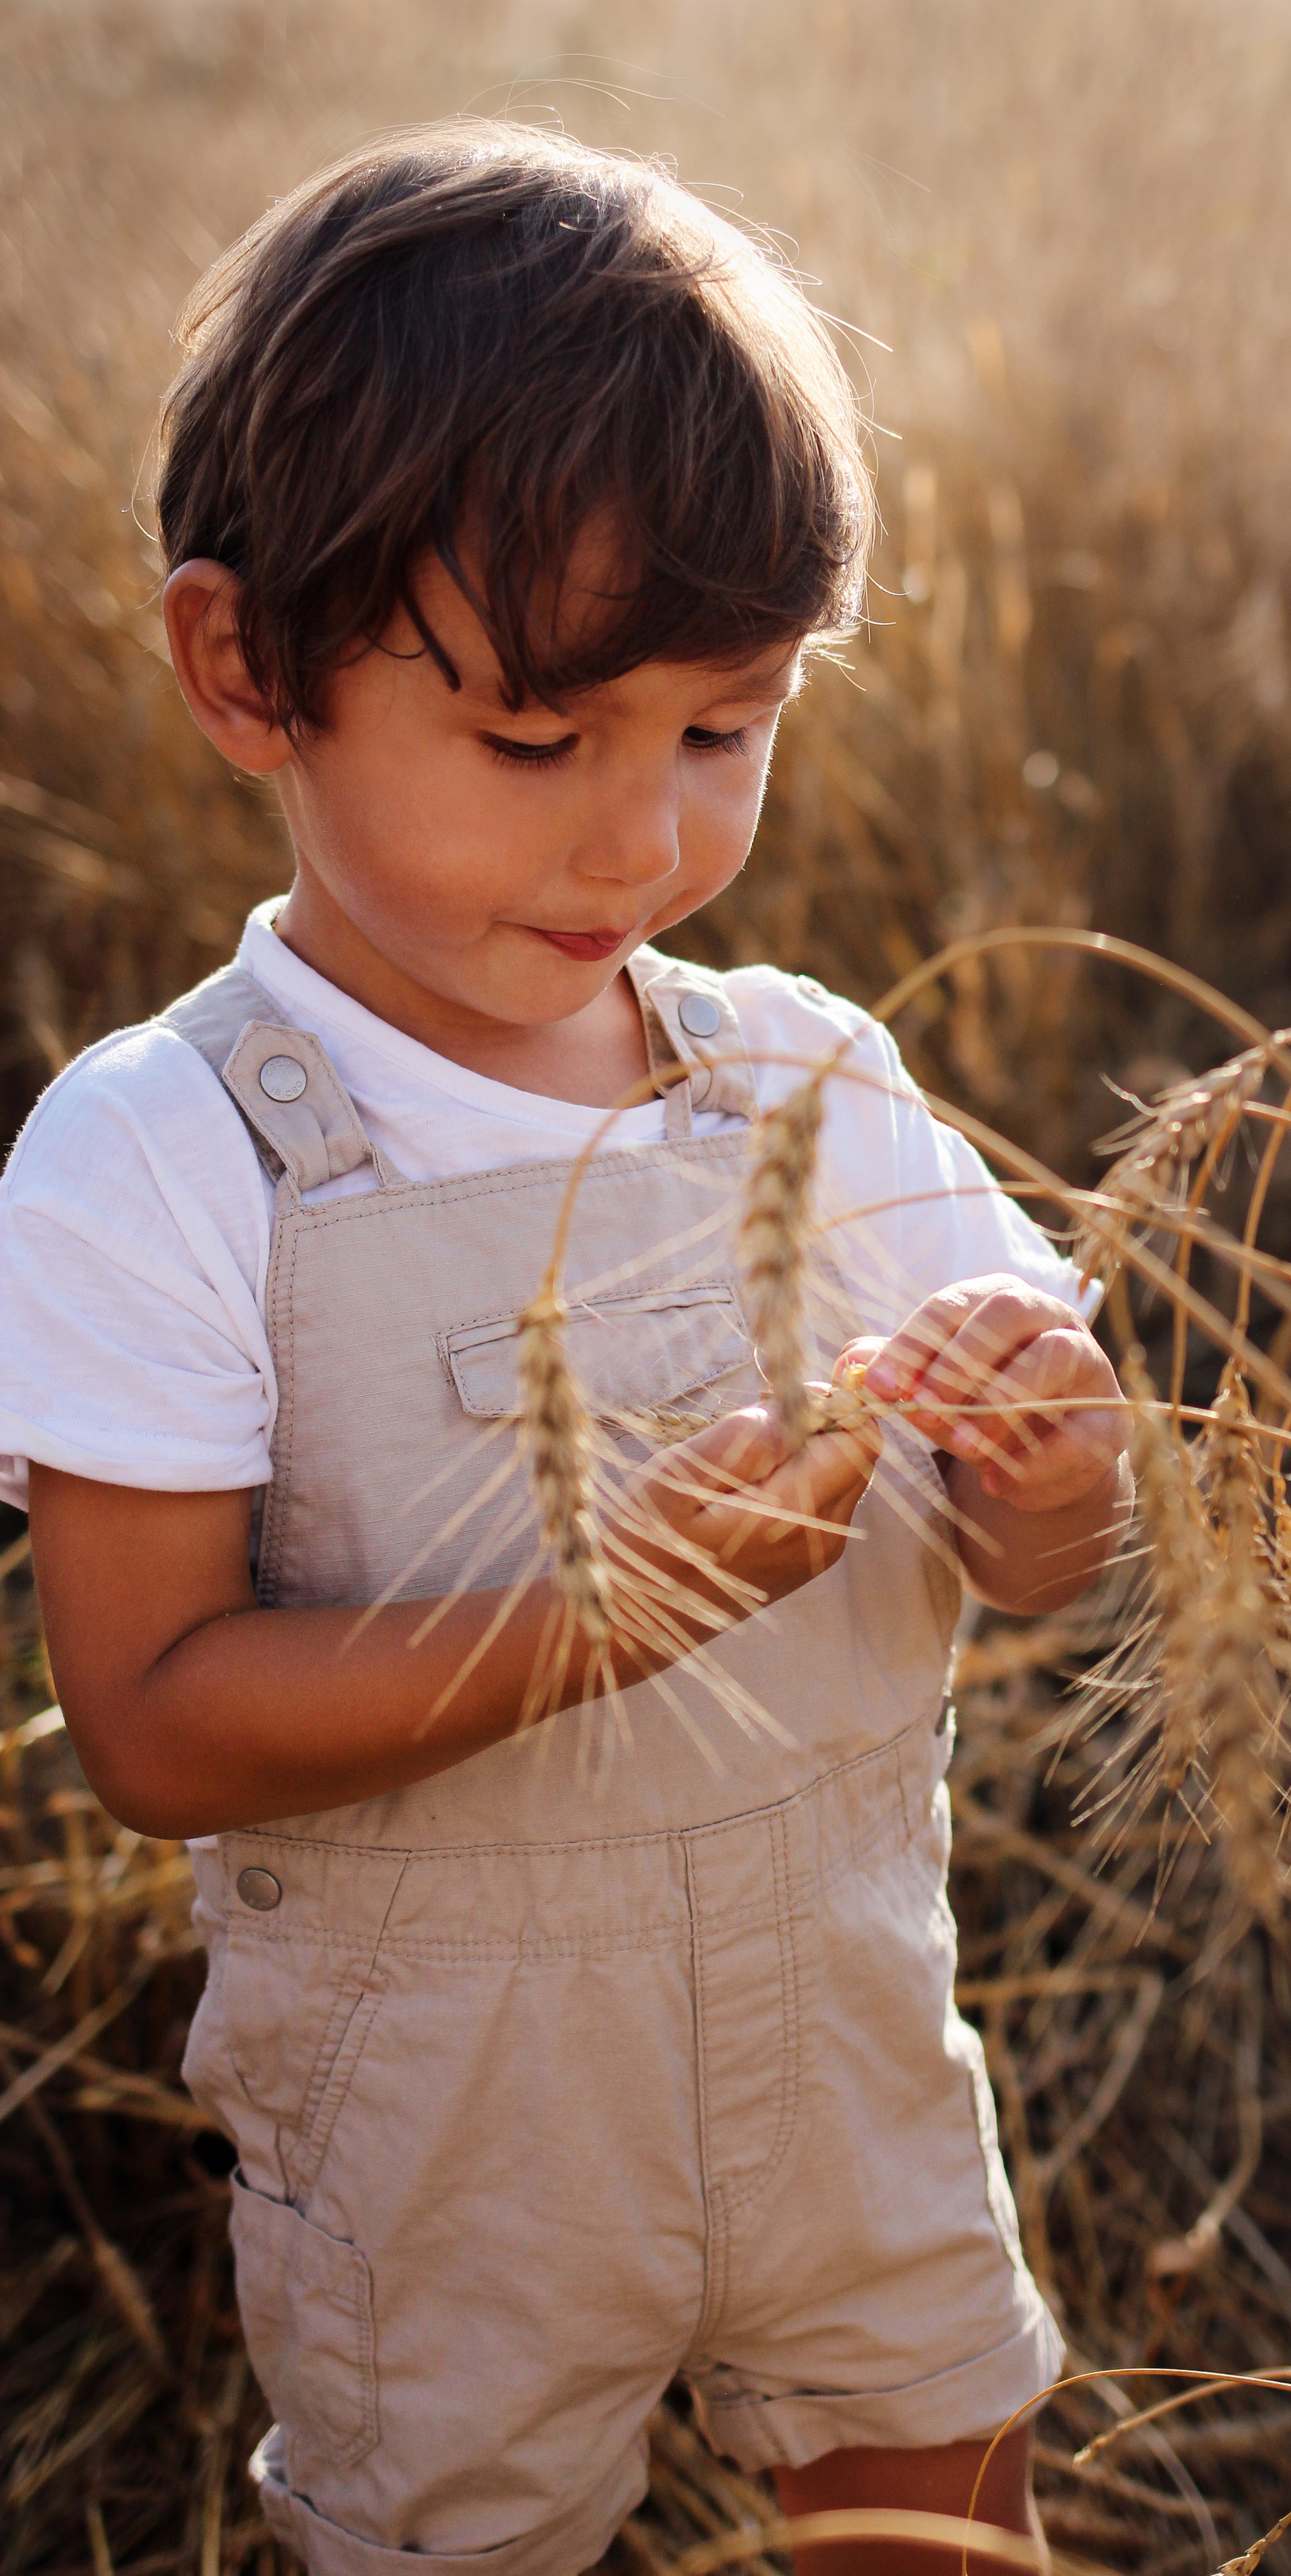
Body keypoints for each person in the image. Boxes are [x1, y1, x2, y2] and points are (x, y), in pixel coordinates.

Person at [0, 126, 1131, 2576]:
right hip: (454, 2151)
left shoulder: (810, 1079)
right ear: (245, 670)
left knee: (939, 2513)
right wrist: (599, 1616)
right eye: (539, 744)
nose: (642, 844)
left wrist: (1052, 1472)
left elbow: (1053, 1560)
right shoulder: (165, 1158)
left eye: (725, 729)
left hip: (853, 2061)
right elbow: (154, 1725)